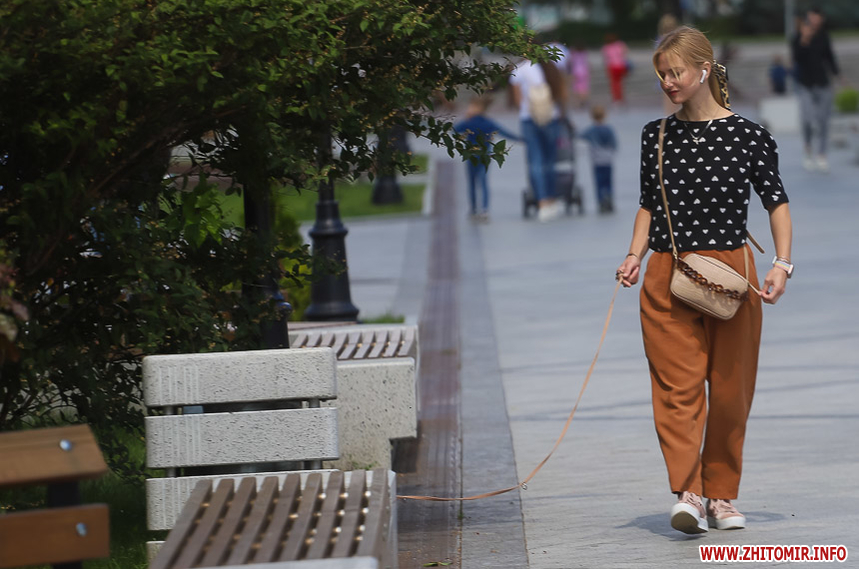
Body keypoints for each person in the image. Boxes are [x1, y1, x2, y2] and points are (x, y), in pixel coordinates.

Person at [616, 26, 793, 535]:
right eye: (662, 74)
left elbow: (776, 202)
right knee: (678, 389)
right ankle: (689, 493)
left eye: (675, 72)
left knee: (732, 392)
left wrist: (782, 264)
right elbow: (648, 204)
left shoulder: (750, 135)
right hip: (666, 273)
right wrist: (633, 254)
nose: (668, 82)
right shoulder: (656, 134)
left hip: (732, 276)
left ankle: (722, 495)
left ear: (705, 70)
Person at [509, 52, 568, 222]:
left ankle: (542, 202)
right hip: (550, 117)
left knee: (535, 161)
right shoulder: (550, 66)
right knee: (550, 161)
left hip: (529, 118)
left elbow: (517, 99)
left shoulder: (520, 69)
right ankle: (552, 198)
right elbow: (561, 92)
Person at [454, 96, 521, 222]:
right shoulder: (488, 123)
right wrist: (520, 139)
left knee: (472, 183)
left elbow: (455, 130)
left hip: (471, 156)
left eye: (471, 106)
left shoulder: (468, 123)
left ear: (479, 108)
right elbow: (504, 132)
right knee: (483, 182)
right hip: (484, 156)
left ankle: (474, 209)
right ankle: (484, 209)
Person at [791, 7, 841, 172]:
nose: (815, 21)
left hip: (823, 83)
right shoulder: (798, 36)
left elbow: (829, 56)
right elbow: (796, 58)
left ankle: (822, 155)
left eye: (817, 18)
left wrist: (837, 74)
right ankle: (808, 149)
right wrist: (804, 39)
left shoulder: (824, 36)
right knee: (807, 119)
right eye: (812, 17)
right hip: (805, 84)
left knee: (823, 120)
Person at [578, 105, 617, 213]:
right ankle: (609, 198)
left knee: (599, 182)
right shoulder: (608, 129)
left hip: (597, 161)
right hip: (608, 160)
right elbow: (614, 144)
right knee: (608, 182)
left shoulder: (591, 130)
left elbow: (580, 135)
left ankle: (601, 201)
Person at [601, 33, 629, 104]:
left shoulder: (606, 47)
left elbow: (606, 59)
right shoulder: (620, 44)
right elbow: (625, 53)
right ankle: (621, 97)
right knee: (620, 83)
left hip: (612, 66)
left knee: (614, 84)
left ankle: (616, 98)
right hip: (621, 65)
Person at [568, 42, 591, 109]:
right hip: (584, 71)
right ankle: (584, 99)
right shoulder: (584, 53)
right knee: (584, 86)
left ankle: (579, 100)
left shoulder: (574, 54)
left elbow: (570, 62)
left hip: (576, 71)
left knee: (577, 87)